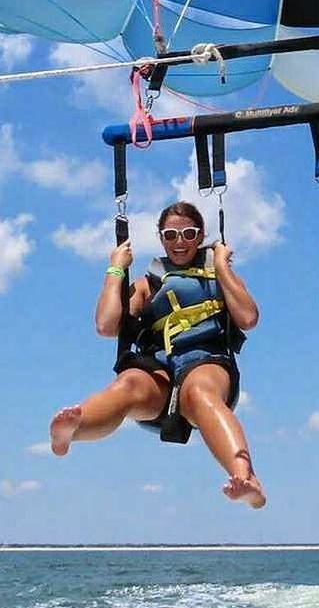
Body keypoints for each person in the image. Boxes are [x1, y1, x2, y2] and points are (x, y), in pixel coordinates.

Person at [50, 200, 266, 508]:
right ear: (161, 237)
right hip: (161, 371)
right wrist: (115, 269)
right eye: (170, 235)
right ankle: (71, 433)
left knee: (200, 390)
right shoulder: (147, 283)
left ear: (201, 234)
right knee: (128, 385)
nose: (180, 243)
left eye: (189, 234)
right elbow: (106, 325)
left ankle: (246, 477)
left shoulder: (218, 274)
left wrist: (221, 267)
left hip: (207, 361)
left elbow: (248, 318)